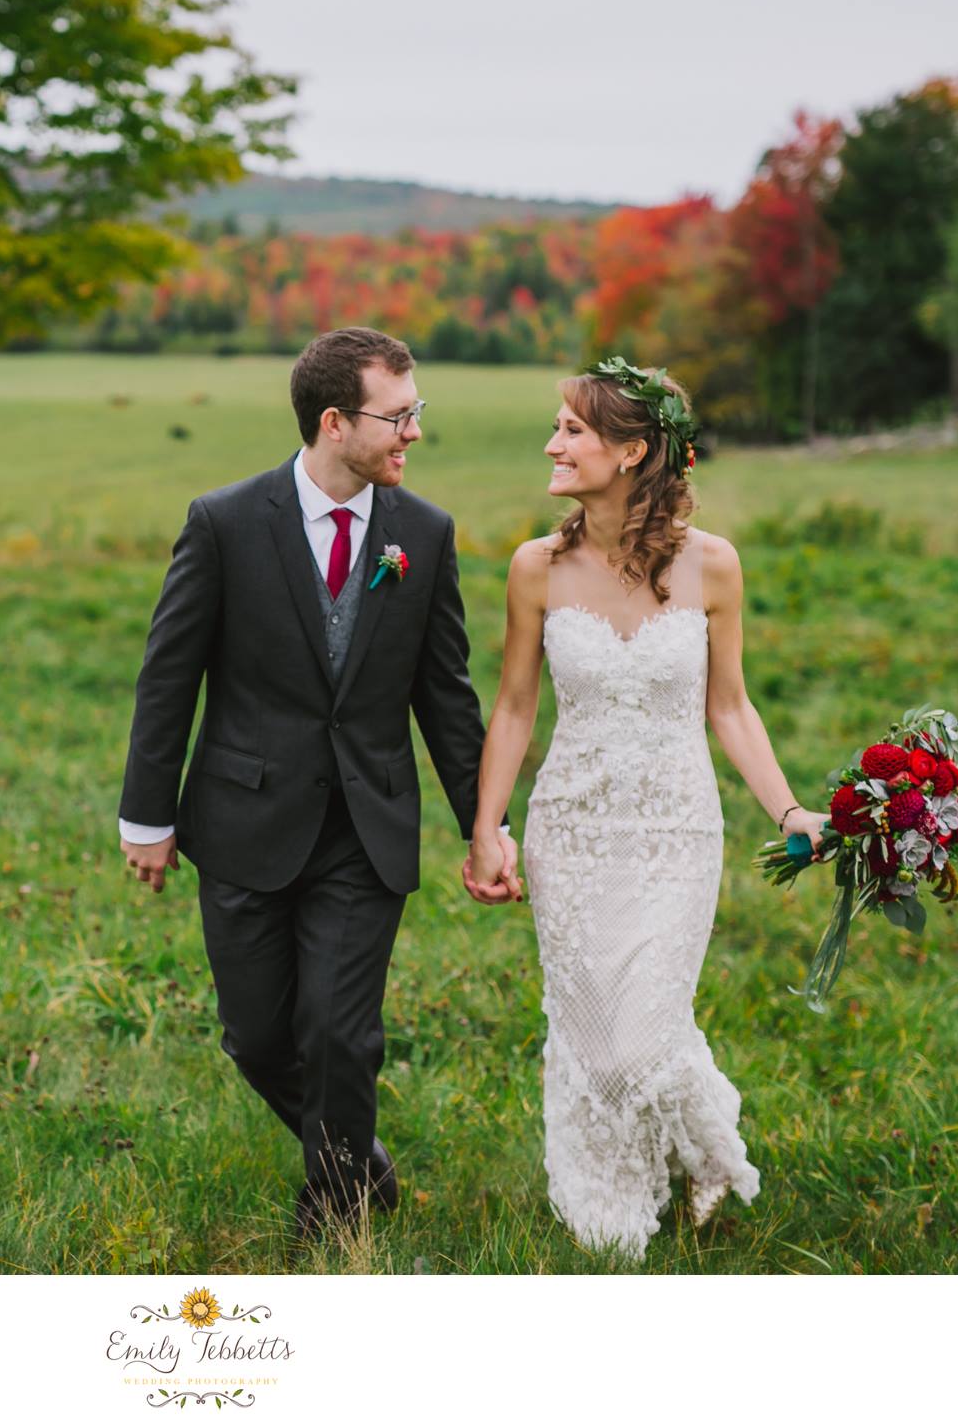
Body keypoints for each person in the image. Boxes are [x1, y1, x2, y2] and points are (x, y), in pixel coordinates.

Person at [118, 326, 516, 1241]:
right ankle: (362, 1160)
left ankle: (336, 1219)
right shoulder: (223, 521)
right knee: (258, 1038)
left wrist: (482, 824)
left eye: (419, 412)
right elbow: (168, 675)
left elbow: (446, 695)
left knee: (341, 1034)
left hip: (364, 828)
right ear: (335, 423)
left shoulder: (423, 533)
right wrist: (147, 814)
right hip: (243, 818)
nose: (414, 432)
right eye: (399, 415)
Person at [466, 357, 827, 1260]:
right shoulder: (536, 567)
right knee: (590, 1028)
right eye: (556, 426)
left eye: (572, 430)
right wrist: (487, 826)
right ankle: (609, 1205)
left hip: (676, 829)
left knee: (646, 1031)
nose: (552, 443)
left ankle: (705, 1153)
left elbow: (730, 706)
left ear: (632, 451)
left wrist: (787, 810)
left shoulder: (714, 566)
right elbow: (513, 706)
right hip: (573, 831)